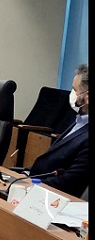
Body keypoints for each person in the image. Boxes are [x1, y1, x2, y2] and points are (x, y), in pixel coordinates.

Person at [28, 63, 88, 198]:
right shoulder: (79, 121)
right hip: (37, 184)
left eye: (75, 90)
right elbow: (50, 162)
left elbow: (70, 182)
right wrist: (25, 174)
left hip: (52, 198)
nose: (71, 94)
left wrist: (30, 184)